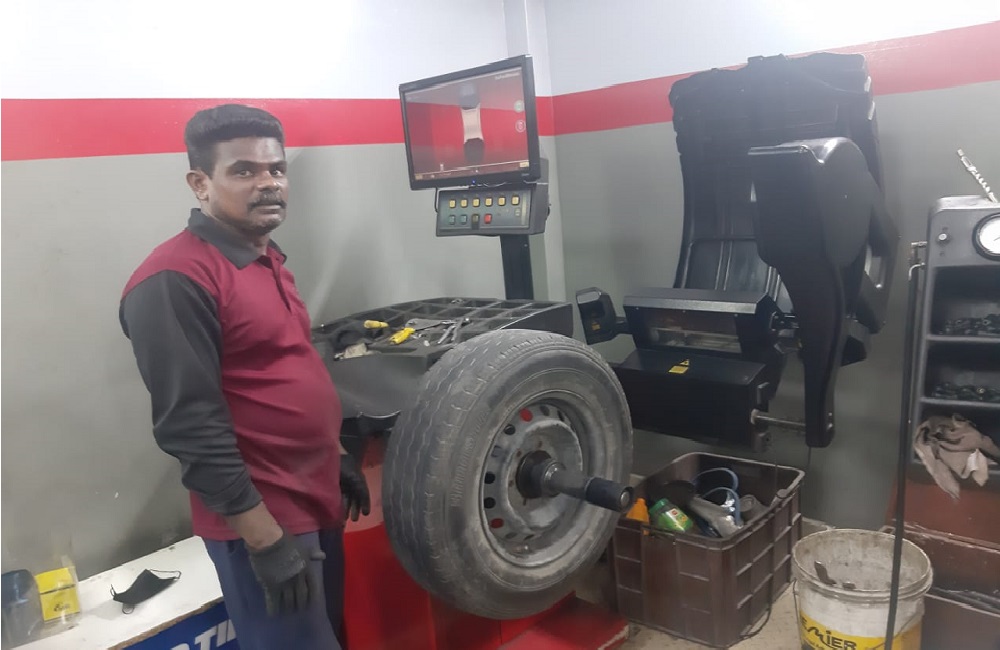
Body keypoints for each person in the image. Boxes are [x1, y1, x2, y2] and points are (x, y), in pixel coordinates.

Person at [119, 103, 370, 650]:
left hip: (312, 498)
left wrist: (336, 454)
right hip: (265, 521)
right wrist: (264, 541)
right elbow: (190, 428)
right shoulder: (174, 281)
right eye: (244, 171)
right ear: (200, 184)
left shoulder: (265, 256)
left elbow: (288, 364)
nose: (268, 183)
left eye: (276, 169)